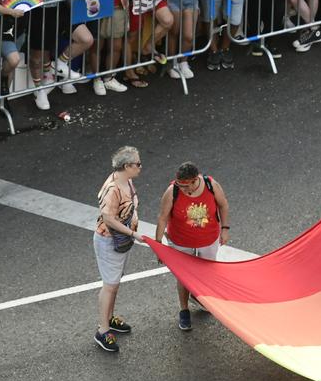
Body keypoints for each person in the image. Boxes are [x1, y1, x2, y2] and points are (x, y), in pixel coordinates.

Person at [155, 161, 232, 332]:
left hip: (209, 239)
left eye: (185, 185)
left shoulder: (211, 185)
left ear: (195, 180)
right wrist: (158, 245)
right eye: (179, 185)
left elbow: (223, 204)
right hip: (181, 242)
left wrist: (225, 229)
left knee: (207, 273)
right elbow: (162, 218)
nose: (181, 188)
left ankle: (198, 297)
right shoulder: (172, 191)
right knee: (183, 277)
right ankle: (184, 310)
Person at [93, 145, 143, 354]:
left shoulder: (125, 181)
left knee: (114, 283)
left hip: (118, 240)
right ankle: (103, 330)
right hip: (109, 241)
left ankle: (109, 319)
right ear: (126, 166)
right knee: (110, 285)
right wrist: (133, 234)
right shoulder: (114, 189)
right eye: (137, 164)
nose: (140, 167)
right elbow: (108, 219)